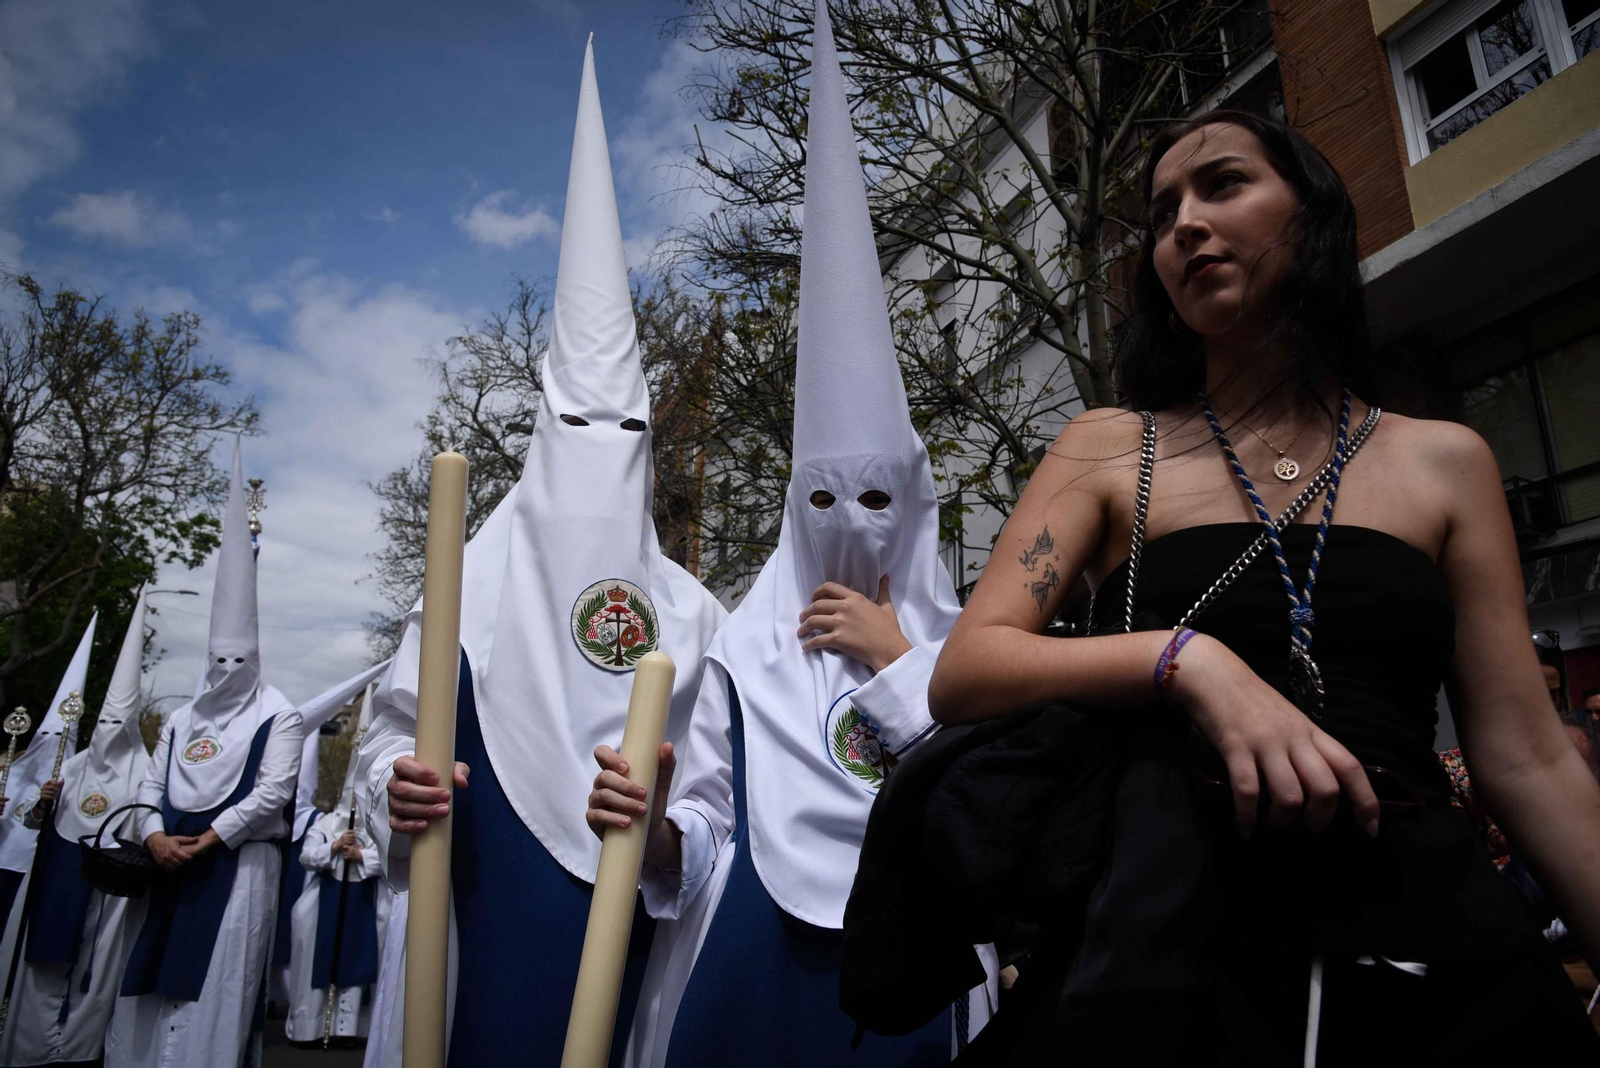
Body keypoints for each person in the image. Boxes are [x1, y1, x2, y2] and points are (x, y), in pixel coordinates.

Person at [927, 108, 1600, 1061]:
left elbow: (1527, 759)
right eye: (1162, 216)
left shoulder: (1445, 462)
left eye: (1223, 184)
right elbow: (967, 667)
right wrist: (1188, 662)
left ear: (1314, 213)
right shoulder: (1112, 448)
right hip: (1170, 946)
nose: (1184, 226)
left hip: (1426, 942)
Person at [586, 6, 990, 1063]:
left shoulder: (978, 649)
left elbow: (989, 802)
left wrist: (899, 661)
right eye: (822, 502)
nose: (849, 529)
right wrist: (658, 828)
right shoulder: (741, 651)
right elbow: (706, 833)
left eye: (875, 504)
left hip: (921, 966)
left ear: (915, 508)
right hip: (752, 963)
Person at [354, 37, 726, 1068]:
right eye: (576, 430)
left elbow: (715, 819)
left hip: (628, 956)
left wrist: (656, 834)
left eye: (626, 437)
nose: (602, 458)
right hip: (469, 921)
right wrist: (395, 784)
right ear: (537, 439)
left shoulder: (698, 620)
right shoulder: (459, 591)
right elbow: (386, 742)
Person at [105, 439, 303, 1068]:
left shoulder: (280, 713)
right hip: (167, 862)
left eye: (238, 660)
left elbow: (272, 792)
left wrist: (208, 840)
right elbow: (149, 783)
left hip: (237, 868)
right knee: (146, 984)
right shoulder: (185, 716)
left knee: (215, 991)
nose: (227, 670)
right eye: (217, 659)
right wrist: (157, 834)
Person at [0, 589, 150, 1066]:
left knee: (96, 969)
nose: (107, 729)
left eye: (116, 722)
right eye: (101, 720)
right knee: (44, 960)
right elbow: (29, 820)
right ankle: (32, 1047)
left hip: (111, 883)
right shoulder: (72, 765)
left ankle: (80, 1049)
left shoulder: (144, 774)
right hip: (60, 876)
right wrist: (44, 805)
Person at [285, 683, 386, 1045]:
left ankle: (350, 1029)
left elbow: (389, 857)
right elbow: (307, 855)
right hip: (328, 896)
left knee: (358, 964)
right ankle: (313, 1027)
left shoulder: (376, 825)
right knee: (318, 960)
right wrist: (332, 848)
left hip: (362, 899)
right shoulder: (326, 822)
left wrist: (363, 856)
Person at [0, 614, 98, 935]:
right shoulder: (6, 770)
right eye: (46, 738)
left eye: (61, 741)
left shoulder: (74, 779)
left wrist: (44, 802)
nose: (52, 747)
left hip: (35, 872)